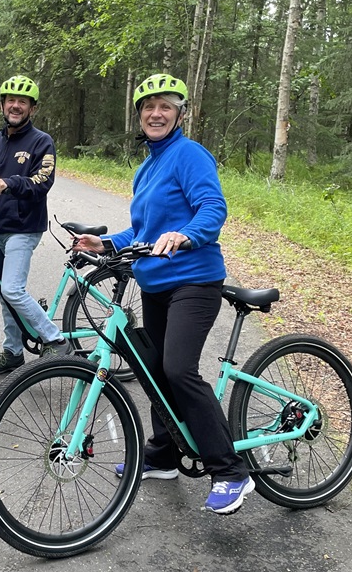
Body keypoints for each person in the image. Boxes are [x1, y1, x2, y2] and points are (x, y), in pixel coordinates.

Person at [71, 73, 254, 515]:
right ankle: (165, 454)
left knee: (178, 369)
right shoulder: (147, 166)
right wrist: (107, 243)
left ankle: (230, 470)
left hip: (194, 281)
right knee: (152, 370)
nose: (156, 113)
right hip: (154, 284)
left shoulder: (190, 155)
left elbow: (213, 208)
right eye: (148, 106)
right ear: (140, 115)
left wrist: (186, 236)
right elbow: (143, 229)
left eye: (166, 106)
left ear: (180, 114)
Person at [0, 74, 72, 375]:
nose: (16, 106)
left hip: (24, 228)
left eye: (22, 102)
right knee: (3, 290)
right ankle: (12, 352)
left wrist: (9, 182)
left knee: (12, 288)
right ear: (2, 104)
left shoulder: (41, 142)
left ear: (32, 109)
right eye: (11, 100)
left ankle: (55, 340)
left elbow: (42, 182)